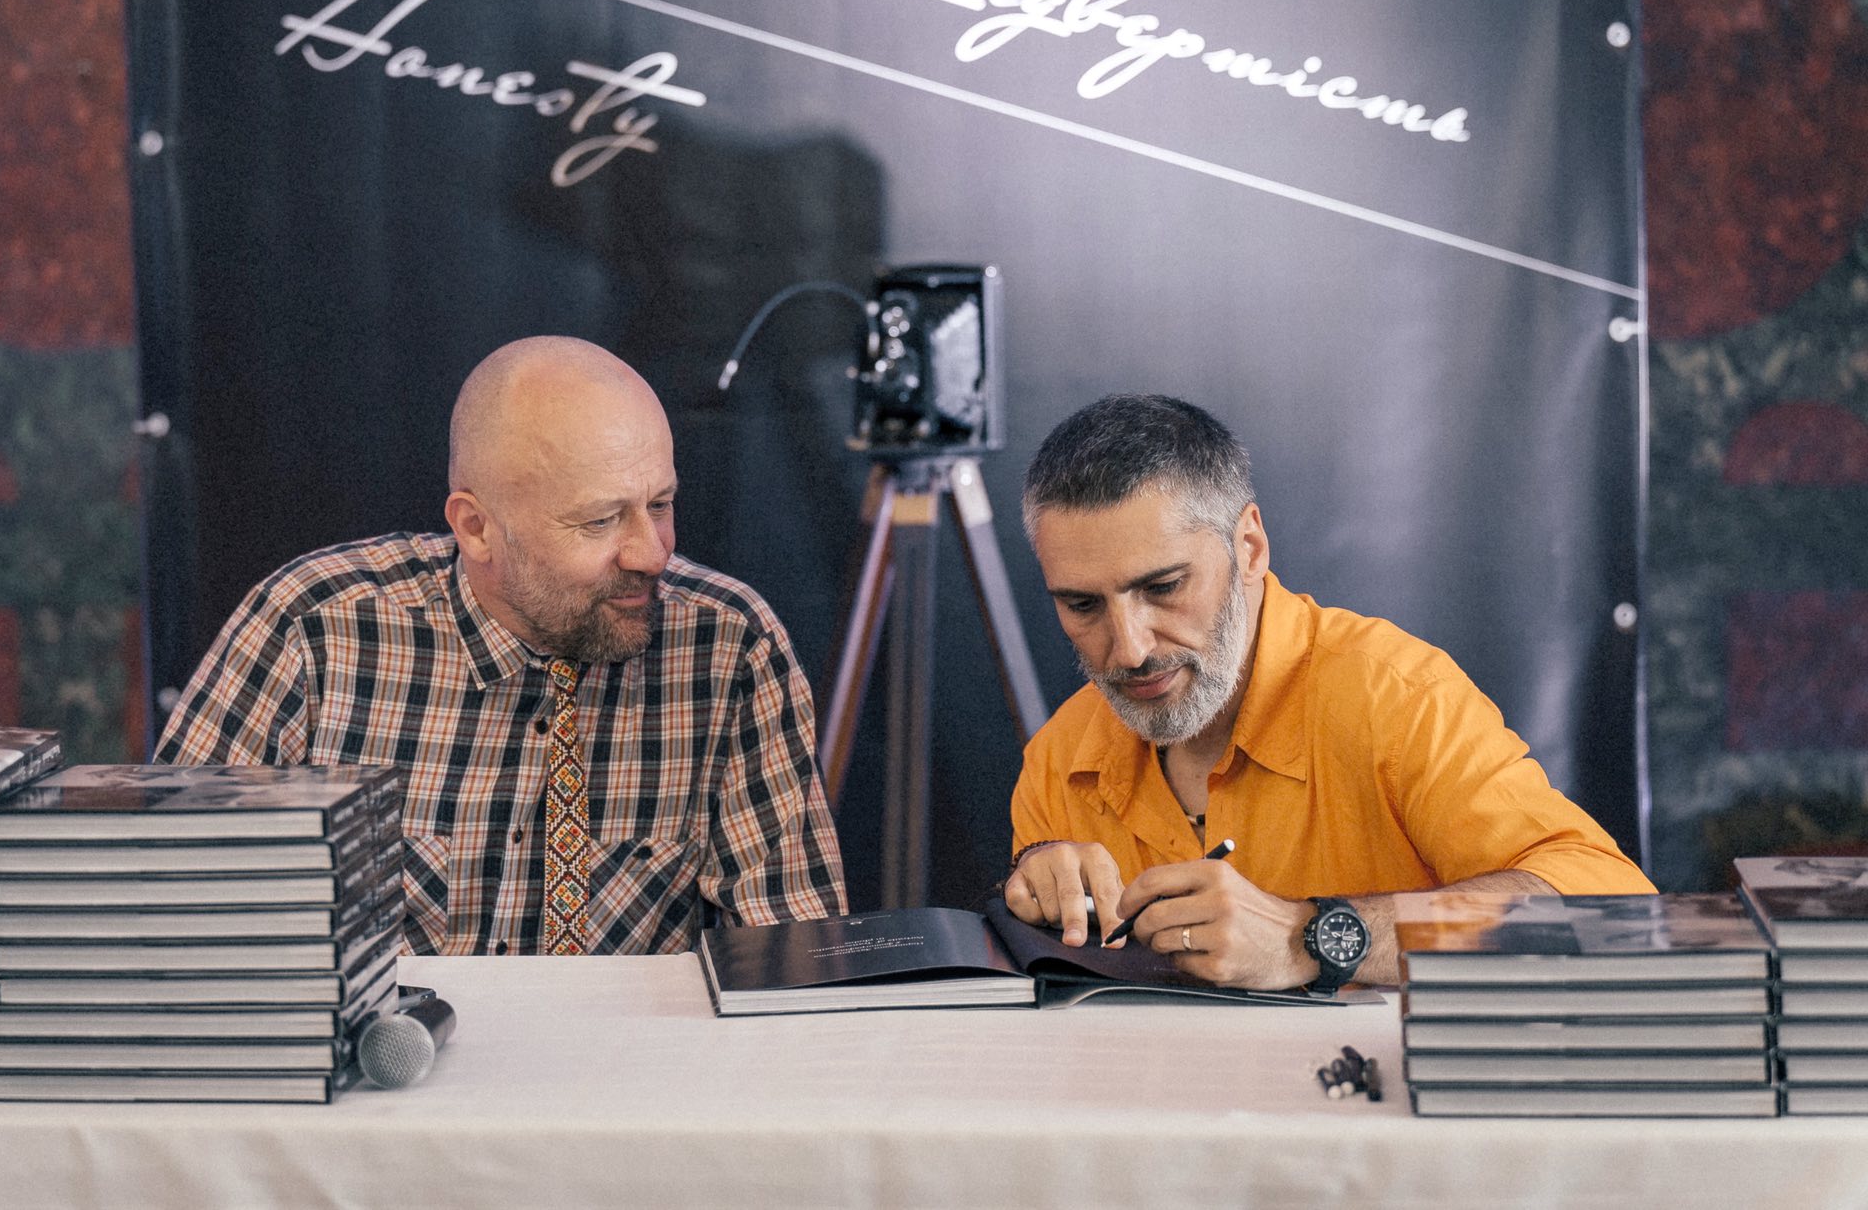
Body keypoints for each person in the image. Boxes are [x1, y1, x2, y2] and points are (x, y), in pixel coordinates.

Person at [155, 336, 847, 954]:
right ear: (476, 528)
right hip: (388, 1057)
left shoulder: (727, 647)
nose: (652, 552)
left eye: (660, 504)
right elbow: (171, 917)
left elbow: (794, 966)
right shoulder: (316, 630)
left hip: (631, 1062)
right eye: (601, 520)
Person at [1002, 394, 1652, 993]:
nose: (1129, 649)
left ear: (1249, 548)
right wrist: (1034, 896)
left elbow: (1615, 912)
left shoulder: (1394, 697)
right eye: (1082, 605)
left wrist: (1311, 938)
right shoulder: (1059, 758)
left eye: (1164, 588)